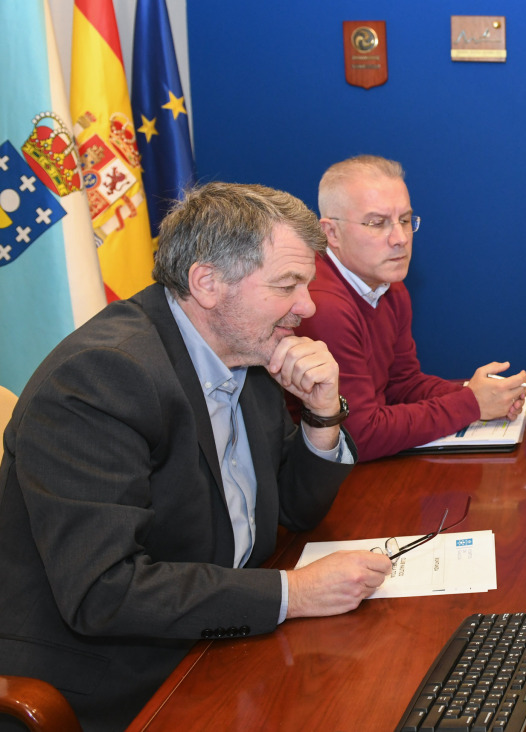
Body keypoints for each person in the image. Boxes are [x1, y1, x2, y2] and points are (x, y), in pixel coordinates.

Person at [0, 183, 393, 732]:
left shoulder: (245, 348)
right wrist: (294, 593)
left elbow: (294, 512)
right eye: (288, 285)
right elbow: (105, 592)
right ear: (207, 283)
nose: (307, 306)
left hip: (220, 635)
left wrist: (323, 413)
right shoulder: (99, 379)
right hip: (119, 681)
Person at [293, 155, 526, 460]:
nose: (400, 239)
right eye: (377, 223)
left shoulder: (389, 284)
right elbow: (357, 436)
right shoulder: (320, 305)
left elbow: (401, 383)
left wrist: (485, 397)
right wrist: (471, 403)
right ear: (331, 233)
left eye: (404, 220)